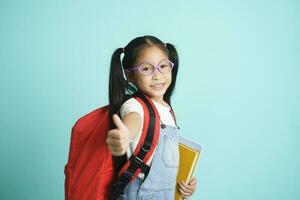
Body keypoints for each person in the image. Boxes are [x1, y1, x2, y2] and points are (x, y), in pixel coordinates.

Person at [106, 35, 197, 199]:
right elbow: (133, 120)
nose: (157, 75)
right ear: (130, 75)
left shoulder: (168, 110)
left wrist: (182, 184)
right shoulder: (135, 105)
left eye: (163, 66)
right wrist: (125, 135)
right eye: (146, 69)